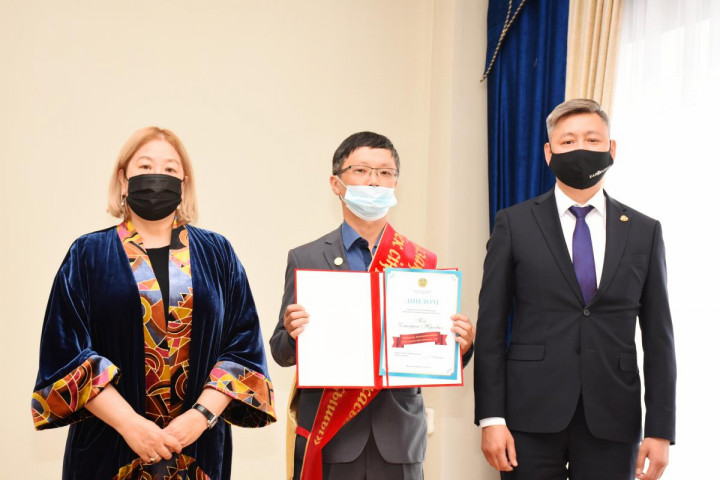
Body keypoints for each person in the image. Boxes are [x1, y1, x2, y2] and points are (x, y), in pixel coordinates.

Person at [31, 127, 276, 479]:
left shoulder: (217, 253)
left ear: (184, 184)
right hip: (108, 445)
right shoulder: (87, 254)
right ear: (123, 179)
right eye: (145, 166)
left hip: (198, 446)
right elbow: (64, 353)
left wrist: (200, 417)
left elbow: (243, 347)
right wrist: (130, 425)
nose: (157, 177)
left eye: (170, 169)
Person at [474, 99, 676, 480]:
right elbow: (491, 327)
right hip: (527, 418)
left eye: (592, 139)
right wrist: (491, 418)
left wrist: (660, 429)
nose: (580, 149)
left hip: (614, 419)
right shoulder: (514, 224)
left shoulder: (645, 231)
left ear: (611, 149)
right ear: (548, 153)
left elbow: (659, 337)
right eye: (568, 141)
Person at [270, 131, 475, 480]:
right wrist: (292, 332)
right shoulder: (306, 258)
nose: (374, 181)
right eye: (361, 170)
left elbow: (432, 351)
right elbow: (280, 351)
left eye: (385, 172)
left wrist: (463, 344)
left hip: (399, 441)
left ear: (396, 184)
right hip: (332, 437)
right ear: (336, 184)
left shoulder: (420, 261)